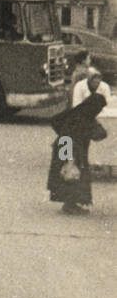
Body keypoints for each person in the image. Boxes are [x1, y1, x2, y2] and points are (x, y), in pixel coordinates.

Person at [47, 73, 108, 215]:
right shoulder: (84, 117)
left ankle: (70, 204)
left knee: (73, 175)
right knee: (73, 174)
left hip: (68, 147)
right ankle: (70, 205)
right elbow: (69, 136)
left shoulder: (81, 113)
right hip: (68, 148)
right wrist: (69, 159)